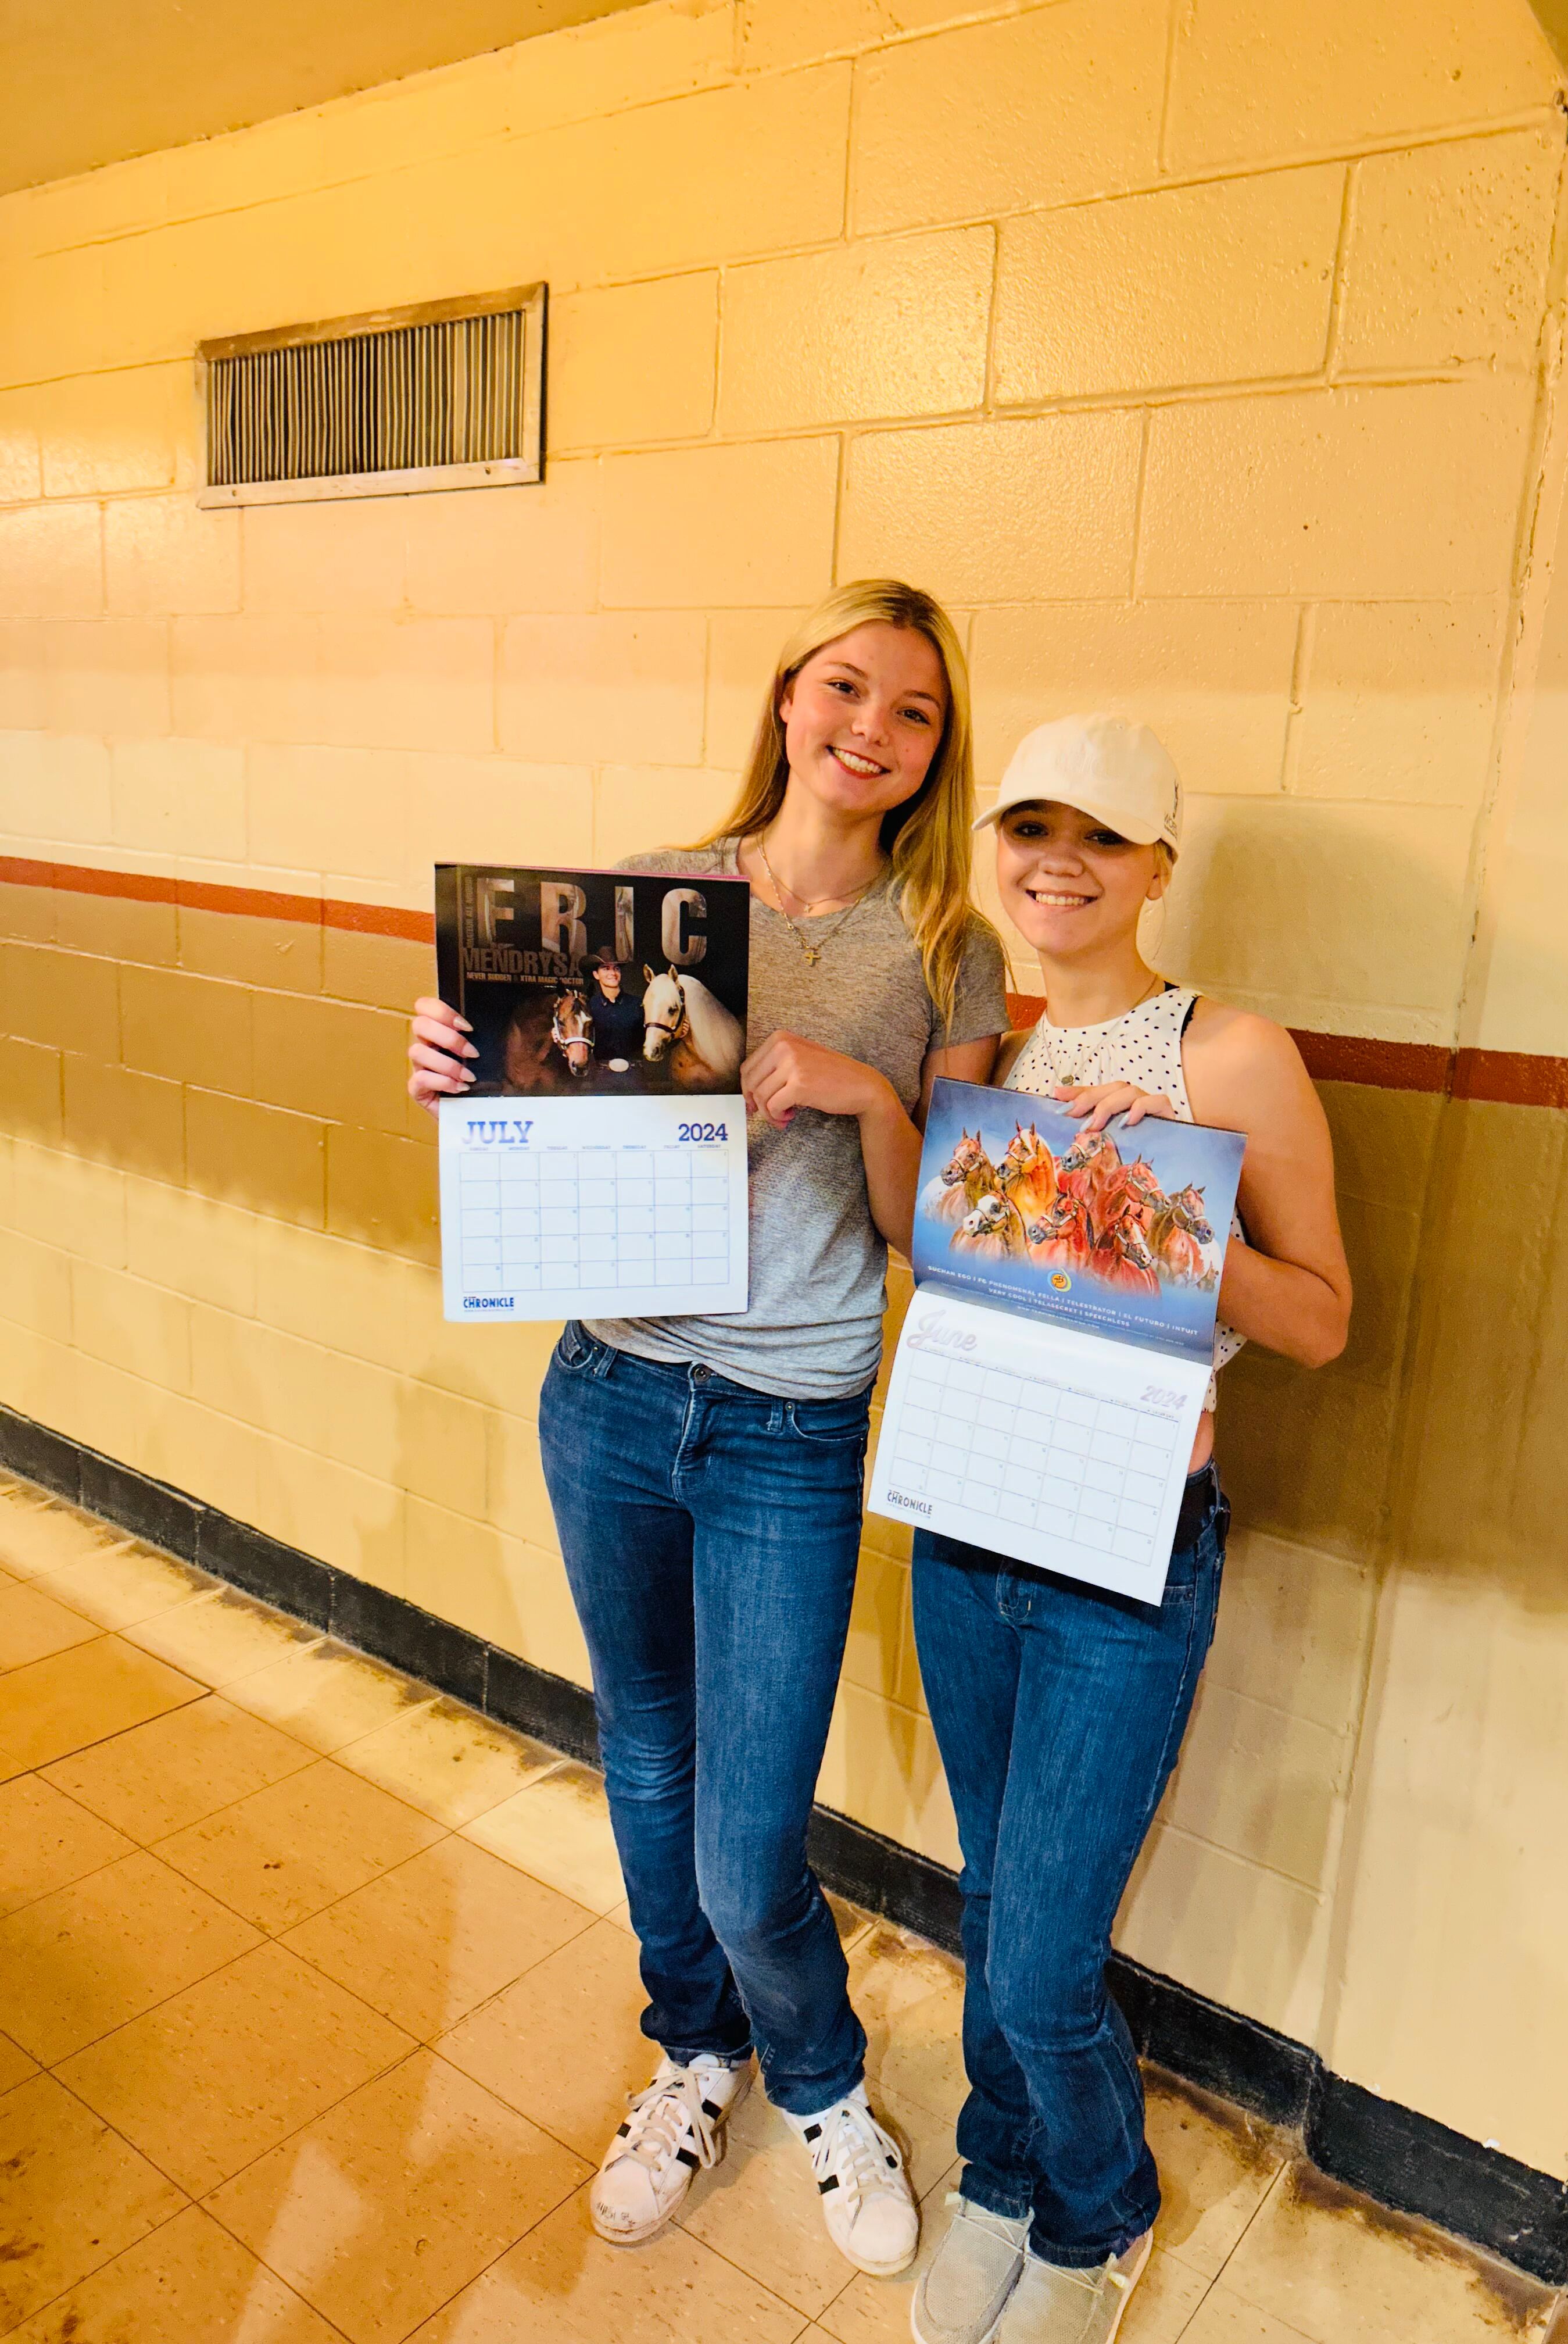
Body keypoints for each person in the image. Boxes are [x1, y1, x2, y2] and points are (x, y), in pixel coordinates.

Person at [407, 581, 1009, 2276]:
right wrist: (462, 1071)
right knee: (647, 1762)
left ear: (936, 750)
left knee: (750, 1847)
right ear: (789, 696)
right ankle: (696, 2049)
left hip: (791, 1427)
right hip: (610, 1393)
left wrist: (868, 1091)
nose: (872, 730)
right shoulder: (653, 895)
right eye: (847, 688)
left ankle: (819, 2080)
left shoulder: (948, 944)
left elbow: (940, 1228)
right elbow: (545, 1135)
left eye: (914, 711)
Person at [908, 716, 1351, 2344]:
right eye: (1032, 828)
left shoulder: (1227, 1054)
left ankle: (1099, 2214)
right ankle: (999, 2171)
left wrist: (1166, 1209)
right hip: (970, 1525)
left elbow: (1322, 1321)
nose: (1060, 864)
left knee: (1042, 1958)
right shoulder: (991, 1055)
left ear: (1159, 866)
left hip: (1124, 1548)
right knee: (987, 1902)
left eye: (1101, 836)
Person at [584, 945, 643, 1069]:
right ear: (596, 975)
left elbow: (656, 1036)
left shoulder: (638, 1004)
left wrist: (679, 1033)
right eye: (606, 969)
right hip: (600, 1075)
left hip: (634, 1074)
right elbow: (575, 1035)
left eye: (616, 968)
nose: (613, 973)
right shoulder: (589, 1007)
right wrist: (557, 1035)